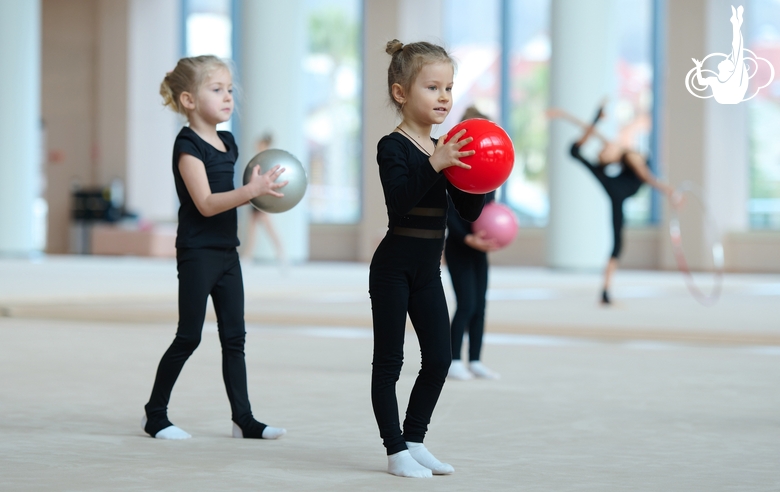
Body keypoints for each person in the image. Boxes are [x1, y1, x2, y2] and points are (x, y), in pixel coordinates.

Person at [142, 55, 287, 440]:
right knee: (189, 335)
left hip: (227, 252)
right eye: (217, 89)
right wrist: (250, 191)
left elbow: (232, 194)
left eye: (230, 90)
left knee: (235, 338)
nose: (228, 97)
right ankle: (155, 415)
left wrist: (262, 191)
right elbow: (206, 204)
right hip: (198, 252)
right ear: (189, 100)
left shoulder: (228, 142)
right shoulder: (187, 145)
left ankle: (244, 420)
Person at [369, 39, 486, 478]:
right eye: (432, 87)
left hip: (428, 271)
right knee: (390, 362)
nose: (444, 97)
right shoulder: (393, 146)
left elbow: (468, 212)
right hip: (392, 268)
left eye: (449, 88)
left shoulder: (444, 148)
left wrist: (480, 176)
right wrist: (436, 163)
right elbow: (400, 203)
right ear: (401, 93)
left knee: (439, 358)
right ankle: (394, 449)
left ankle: (415, 439)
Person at [547, 104, 678, 305]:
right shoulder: (625, 156)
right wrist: (669, 191)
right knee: (617, 245)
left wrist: (583, 117)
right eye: (603, 151)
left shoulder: (624, 152)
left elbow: (595, 134)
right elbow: (647, 177)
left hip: (617, 190)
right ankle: (606, 292)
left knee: (618, 245)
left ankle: (605, 291)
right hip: (616, 190)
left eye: (604, 149)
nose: (603, 148)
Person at [445, 106, 501, 381]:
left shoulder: (489, 172)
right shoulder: (452, 169)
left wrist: (490, 236)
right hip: (459, 246)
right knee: (466, 303)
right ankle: (453, 360)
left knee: (480, 304)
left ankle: (476, 359)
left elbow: (489, 212)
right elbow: (448, 212)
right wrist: (468, 238)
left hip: (480, 248)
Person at [242, 133, 286, 265]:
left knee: (267, 228)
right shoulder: (259, 159)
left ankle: (281, 254)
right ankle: (248, 256)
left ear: (263, 145)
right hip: (255, 197)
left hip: (261, 198)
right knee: (252, 229)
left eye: (258, 144)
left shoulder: (266, 160)